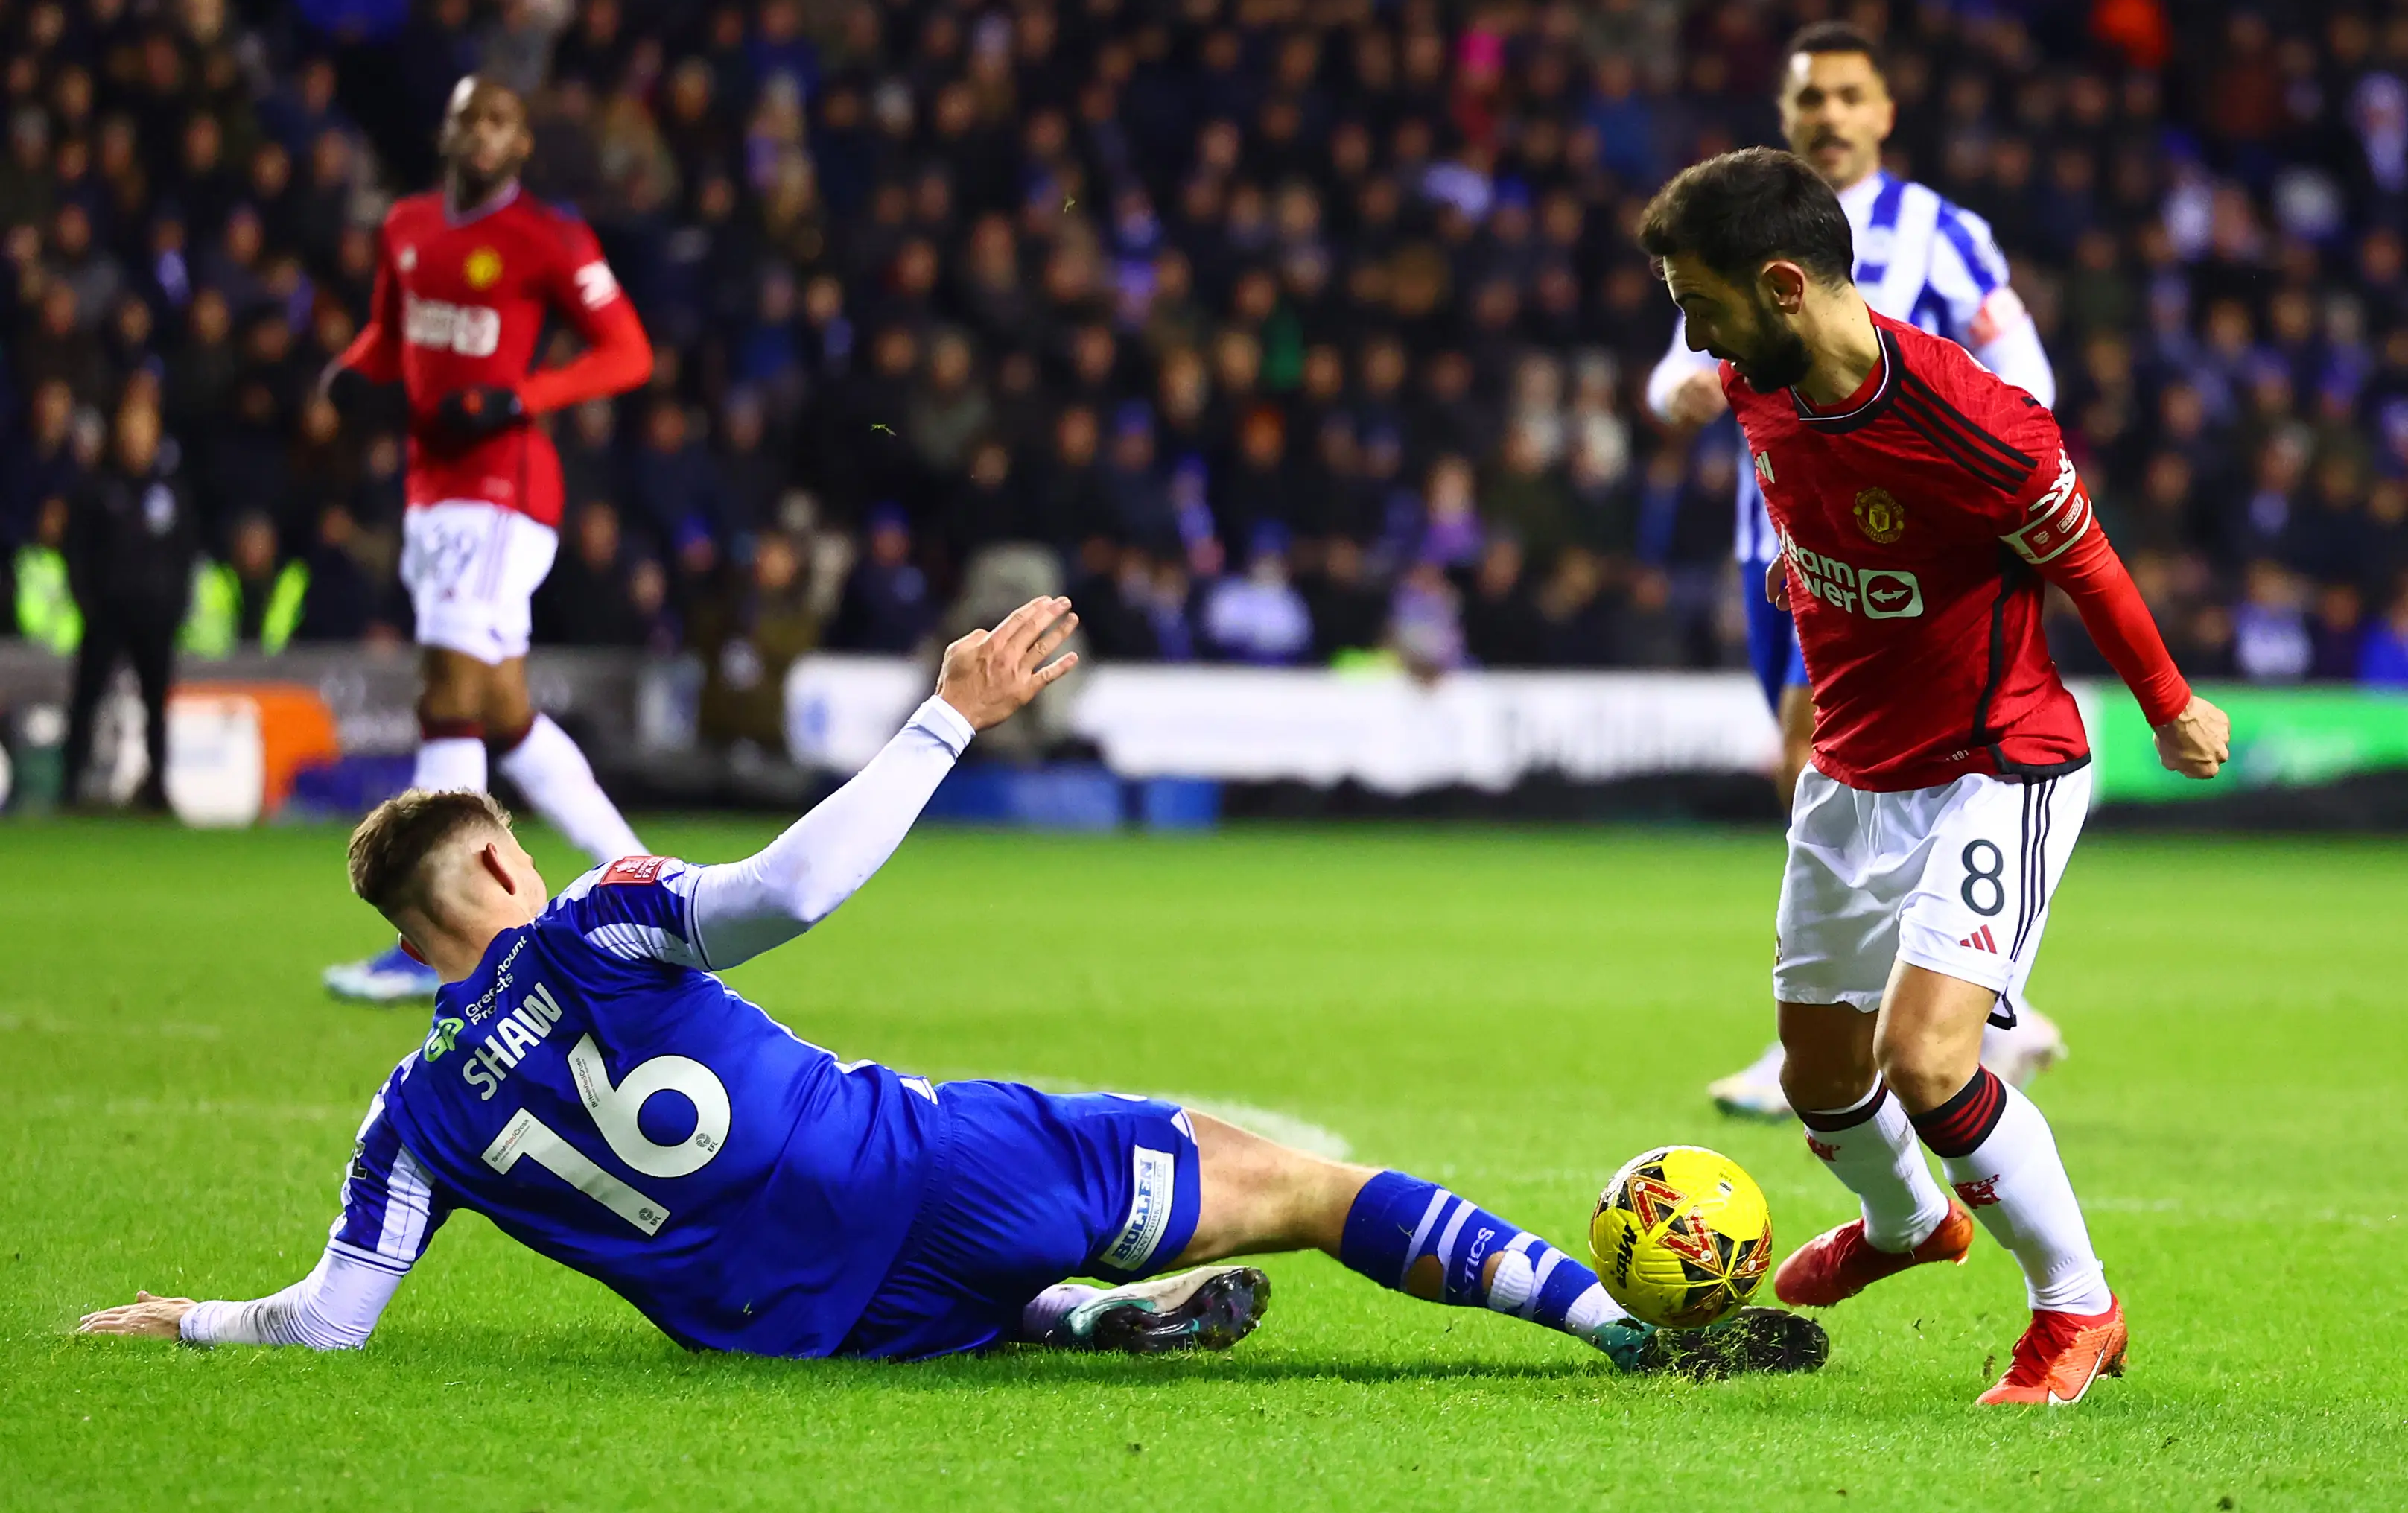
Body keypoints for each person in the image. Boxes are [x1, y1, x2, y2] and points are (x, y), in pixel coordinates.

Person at [76, 597, 1826, 1380]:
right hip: (908, 1163)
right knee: (1301, 1176)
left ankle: (1067, 1314)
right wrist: (948, 713)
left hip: (786, 1325)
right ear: (500, 873)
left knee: (1000, 1304)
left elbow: (329, 1312)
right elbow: (791, 887)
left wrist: (193, 1318)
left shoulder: (410, 1116)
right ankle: (1617, 1328)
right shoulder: (590, 923)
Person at [1636, 149, 2231, 1404]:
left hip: (1994, 761)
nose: (1692, 338)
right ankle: (1910, 1225)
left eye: (1701, 303)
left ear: (1783, 283)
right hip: (1849, 769)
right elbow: (1814, 524)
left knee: (1925, 1061)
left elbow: (2089, 564)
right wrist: (1799, 603)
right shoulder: (1756, 382)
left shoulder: (1971, 420)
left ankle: (2075, 1311)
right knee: (1816, 1076)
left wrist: (2170, 708)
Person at [1646, 23, 2068, 1119]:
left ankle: (1898, 1024)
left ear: (1884, 113)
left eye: (1848, 96)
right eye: (1809, 99)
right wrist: (1679, 394)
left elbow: (2023, 369)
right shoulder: (1740, 226)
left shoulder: (1942, 232)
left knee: (1833, 758)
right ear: (1785, 117)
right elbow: (1667, 371)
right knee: (1830, 775)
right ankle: (1959, 1010)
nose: (1829, 115)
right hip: (1772, 541)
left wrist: (1966, 466)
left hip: (1896, 550)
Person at [317, 75, 655, 1003]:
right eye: (467, 115)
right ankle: (640, 875)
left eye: (498, 121)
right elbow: (392, 336)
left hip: (503, 492)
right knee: (503, 713)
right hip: (432, 492)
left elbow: (628, 351)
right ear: (448, 127)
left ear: (521, 144)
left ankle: (436, 941)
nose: (480, 133)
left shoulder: (548, 236)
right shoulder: (408, 227)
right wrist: (349, 372)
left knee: (446, 696)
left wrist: (522, 397)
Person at [60, 400, 194, 811]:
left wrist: (174, 607)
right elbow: (76, 550)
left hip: (154, 617)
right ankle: (71, 785)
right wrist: (88, 602)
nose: (137, 439)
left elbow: (184, 553)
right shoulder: (98, 488)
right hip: (106, 613)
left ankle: (156, 787)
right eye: (131, 429)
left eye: (145, 429)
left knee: (156, 704)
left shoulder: (170, 491)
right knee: (87, 698)